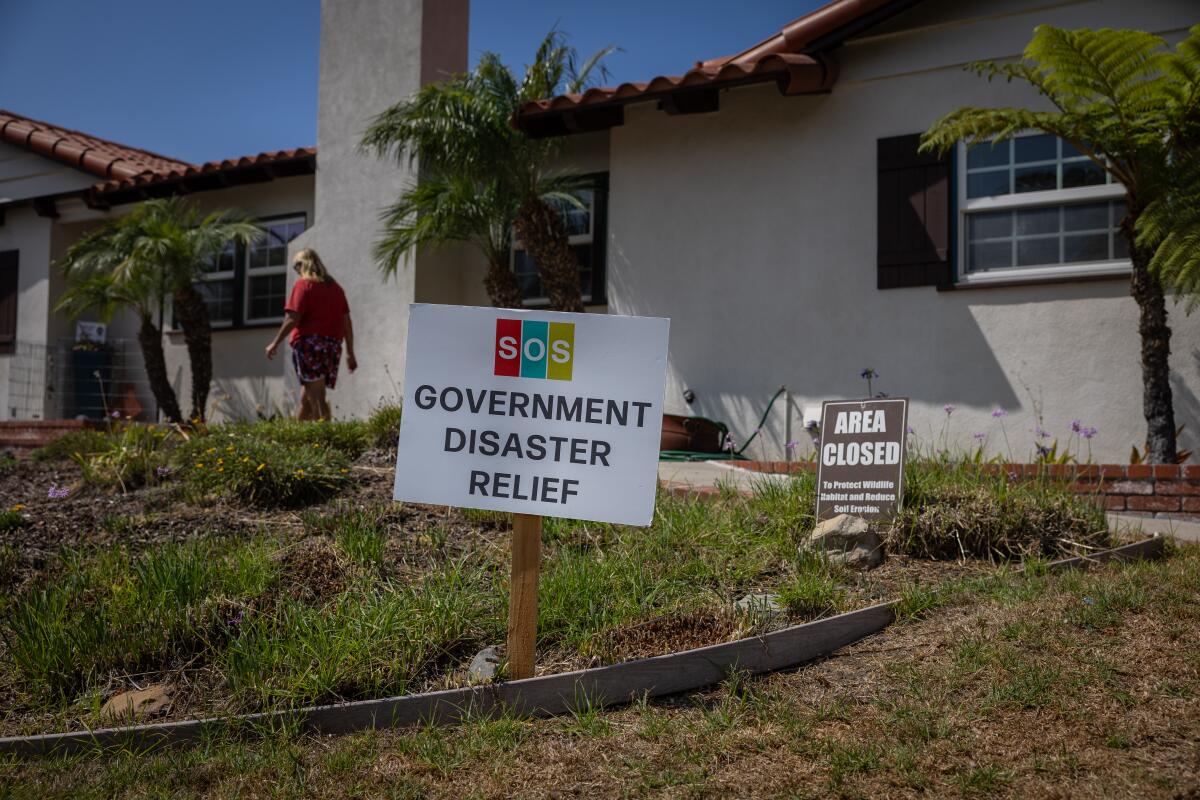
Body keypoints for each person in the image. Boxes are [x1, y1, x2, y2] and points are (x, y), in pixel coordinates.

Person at [265, 248, 356, 420]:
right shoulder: (337, 289)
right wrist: (350, 353)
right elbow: (347, 324)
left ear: (302, 264)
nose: (296, 271)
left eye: (296, 267)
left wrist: (275, 342)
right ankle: (297, 440)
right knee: (307, 398)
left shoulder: (303, 285)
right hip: (332, 348)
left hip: (310, 345)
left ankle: (325, 441)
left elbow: (293, 318)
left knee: (317, 398)